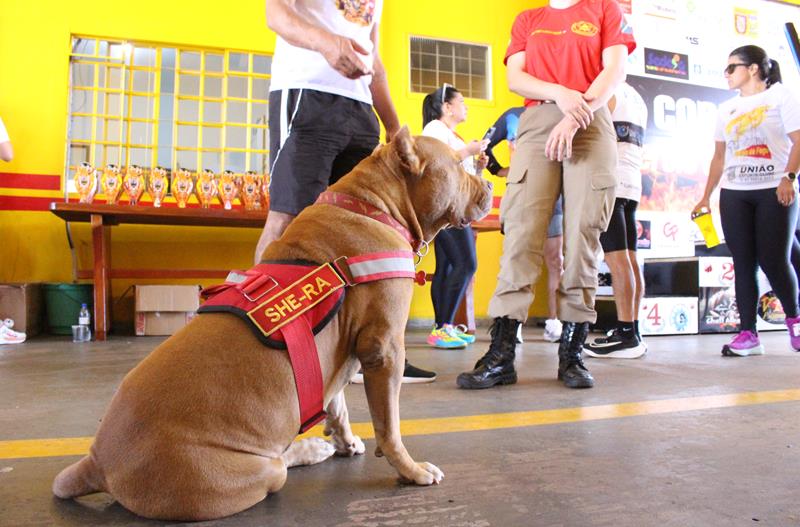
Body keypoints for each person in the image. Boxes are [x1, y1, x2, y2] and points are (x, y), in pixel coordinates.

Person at [457, 0, 636, 390]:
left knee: (583, 237)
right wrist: (559, 94)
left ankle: (572, 353)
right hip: (538, 122)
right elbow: (515, 78)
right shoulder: (529, 19)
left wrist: (575, 114)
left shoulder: (604, 8)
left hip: (591, 118)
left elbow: (615, 70)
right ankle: (501, 354)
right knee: (521, 232)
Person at [256, 0, 436, 383]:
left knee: (358, 231)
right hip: (307, 94)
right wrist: (326, 43)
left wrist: (394, 128)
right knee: (289, 219)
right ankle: (257, 337)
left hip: (361, 109)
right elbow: (277, 15)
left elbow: (375, 59)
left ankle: (361, 349)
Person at [693, 45, 800, 356]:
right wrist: (705, 196)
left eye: (732, 68)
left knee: (774, 259)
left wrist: (788, 178)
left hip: (774, 189)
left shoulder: (780, 96)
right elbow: (718, 156)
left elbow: (798, 140)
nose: (727, 74)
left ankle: (794, 320)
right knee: (743, 264)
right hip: (735, 193)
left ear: (753, 69)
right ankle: (748, 334)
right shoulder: (725, 109)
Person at [483, 107, 564, 343]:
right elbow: (484, 143)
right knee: (516, 257)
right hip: (521, 192)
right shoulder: (512, 115)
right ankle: (512, 321)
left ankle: (554, 320)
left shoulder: (560, 110)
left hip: (555, 197)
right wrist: (499, 170)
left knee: (555, 260)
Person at [420, 84, 488, 349]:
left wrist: (478, 168)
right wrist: (469, 152)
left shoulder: (453, 135)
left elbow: (464, 176)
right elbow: (438, 165)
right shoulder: (434, 129)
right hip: (447, 208)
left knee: (447, 267)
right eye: (461, 101)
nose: (466, 106)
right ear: (447, 107)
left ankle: (443, 327)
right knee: (467, 264)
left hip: (457, 205)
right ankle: (443, 327)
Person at [583, 80, 648, 359]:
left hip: (612, 182)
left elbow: (590, 133)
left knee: (617, 260)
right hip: (632, 184)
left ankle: (625, 333)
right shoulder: (636, 96)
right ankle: (632, 329)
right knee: (630, 259)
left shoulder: (606, 91)